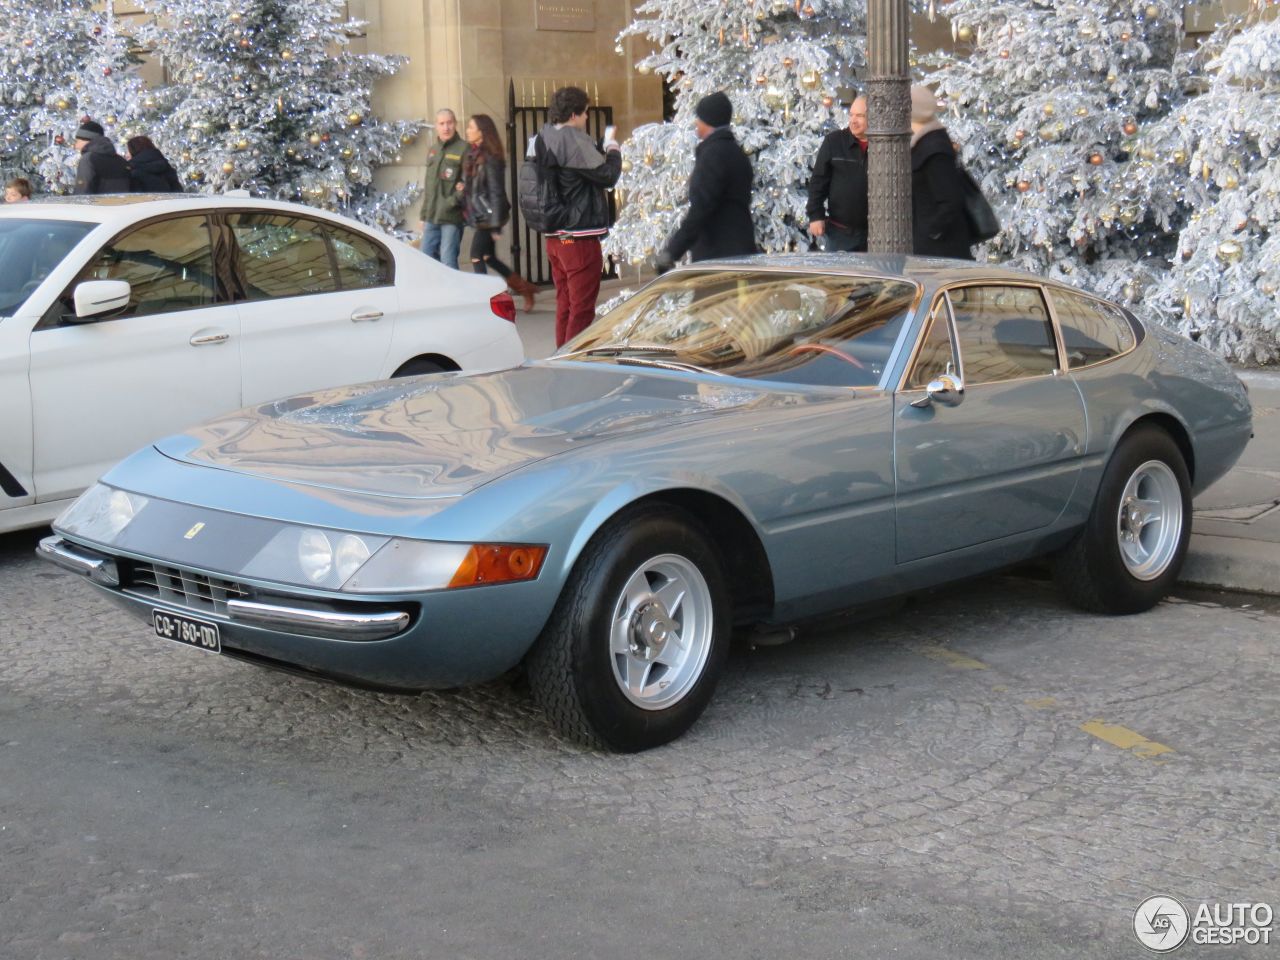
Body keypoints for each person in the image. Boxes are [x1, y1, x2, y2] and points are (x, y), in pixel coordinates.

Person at [537, 85, 622, 346]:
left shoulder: (544, 137)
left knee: (565, 304)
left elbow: (572, 174)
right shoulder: (573, 140)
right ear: (574, 114)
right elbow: (607, 176)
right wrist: (612, 148)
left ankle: (560, 358)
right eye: (585, 113)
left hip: (556, 237)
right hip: (579, 237)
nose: (586, 118)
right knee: (582, 309)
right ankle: (572, 366)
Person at [655, 91, 756, 273]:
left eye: (699, 118)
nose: (696, 123)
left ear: (708, 121)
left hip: (718, 254)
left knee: (714, 301)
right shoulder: (735, 152)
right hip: (738, 248)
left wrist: (672, 251)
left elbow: (701, 208)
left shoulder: (713, 155)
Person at [459, 114, 538, 311]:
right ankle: (525, 288)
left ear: (482, 132)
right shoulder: (472, 153)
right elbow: (473, 185)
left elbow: (496, 192)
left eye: (471, 127)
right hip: (479, 214)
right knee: (488, 257)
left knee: (476, 255)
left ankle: (484, 300)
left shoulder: (490, 158)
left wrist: (495, 225)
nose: (467, 130)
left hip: (489, 216)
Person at [909, 85, 973, 260]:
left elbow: (950, 199)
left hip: (940, 250)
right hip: (931, 245)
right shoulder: (922, 141)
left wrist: (930, 233)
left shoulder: (933, 148)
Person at [806, 97, 869, 252]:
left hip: (878, 234)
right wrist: (815, 215)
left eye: (860, 116)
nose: (853, 120)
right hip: (841, 233)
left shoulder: (886, 146)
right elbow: (818, 181)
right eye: (851, 115)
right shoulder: (834, 142)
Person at [418, 109, 465, 270]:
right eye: (442, 123)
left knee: (447, 259)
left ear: (455, 124)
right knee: (425, 257)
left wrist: (451, 202)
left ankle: (455, 295)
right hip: (432, 216)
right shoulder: (433, 150)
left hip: (451, 217)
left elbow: (468, 184)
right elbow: (429, 184)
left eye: (449, 123)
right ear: (436, 126)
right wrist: (423, 215)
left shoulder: (464, 149)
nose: (446, 127)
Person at [71, 119, 131, 195]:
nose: (75, 145)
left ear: (86, 140)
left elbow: (83, 189)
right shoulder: (120, 160)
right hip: (121, 204)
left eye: (77, 140)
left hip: (96, 205)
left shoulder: (88, 159)